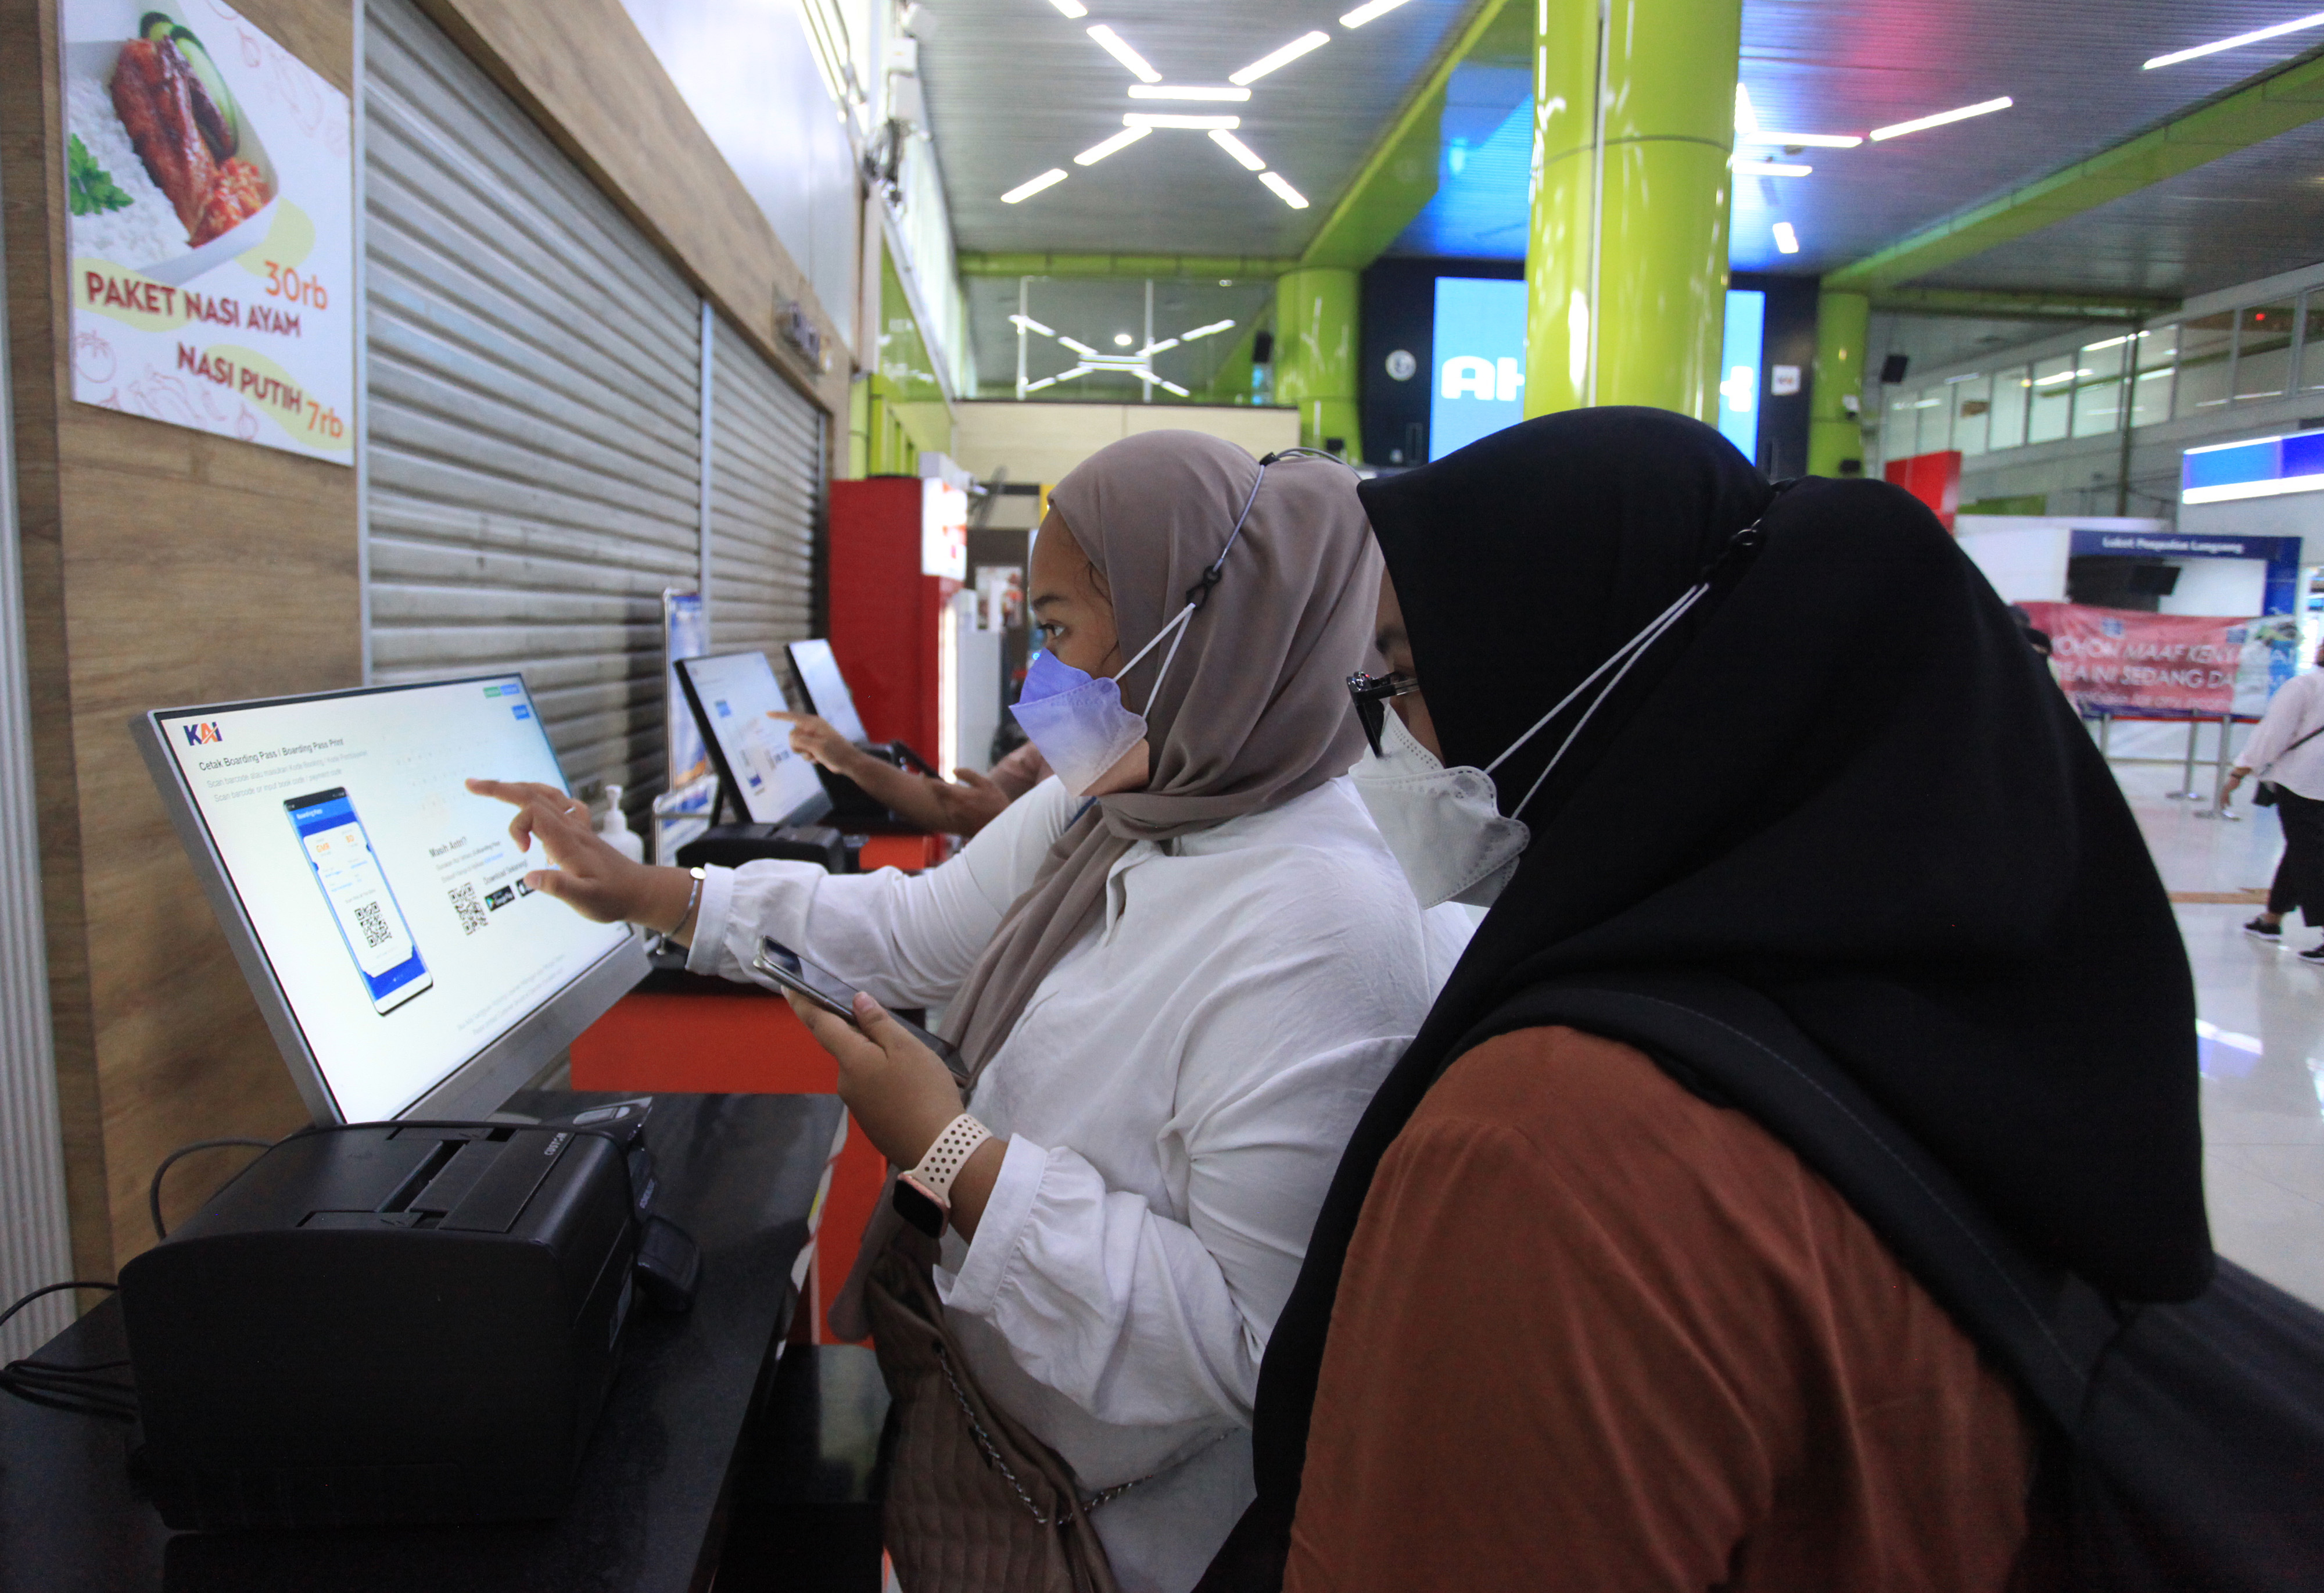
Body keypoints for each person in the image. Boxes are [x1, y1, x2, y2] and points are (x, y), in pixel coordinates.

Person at [1200, 409, 2210, 1592]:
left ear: (1589, 673)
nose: (1386, 744)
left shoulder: (1558, 1144)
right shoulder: (1970, 1047)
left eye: (1411, 679)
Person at [474, 431, 1450, 1593]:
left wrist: (953, 1152)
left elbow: (1246, 1341)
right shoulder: (1122, 809)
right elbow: (910, 929)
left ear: (1189, 626)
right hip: (980, 1431)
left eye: (1057, 630)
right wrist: (654, 892)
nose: (1041, 688)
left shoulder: (1325, 923)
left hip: (1108, 1533)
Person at [769, 711, 1050, 837]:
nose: (1049, 651)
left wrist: (1005, 825)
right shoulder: (1057, 743)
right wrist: (847, 760)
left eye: (1059, 629)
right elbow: (956, 807)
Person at [2222, 651, 2324, 961]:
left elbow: (2272, 734)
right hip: (2312, 782)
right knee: (2303, 848)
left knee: (2311, 854)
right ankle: (2271, 920)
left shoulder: (2305, 686)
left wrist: (2240, 770)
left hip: (2304, 782)